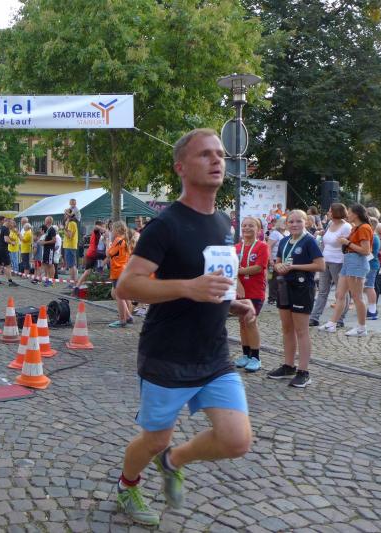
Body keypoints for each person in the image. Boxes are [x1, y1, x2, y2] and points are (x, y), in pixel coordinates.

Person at [112, 129, 255, 526]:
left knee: (236, 439)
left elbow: (209, 282)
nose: (217, 160)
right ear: (180, 167)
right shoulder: (165, 225)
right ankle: (127, 486)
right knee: (154, 438)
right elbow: (127, 286)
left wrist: (231, 303)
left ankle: (174, 460)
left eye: (220, 154)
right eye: (205, 154)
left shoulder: (224, 222)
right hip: (167, 354)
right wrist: (188, 288)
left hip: (213, 354)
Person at [266, 210, 325, 387]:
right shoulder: (284, 241)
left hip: (302, 288)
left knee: (301, 330)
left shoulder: (309, 241)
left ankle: (303, 371)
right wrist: (278, 266)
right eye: (291, 222)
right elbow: (277, 262)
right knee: (286, 328)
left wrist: (293, 267)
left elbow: (320, 266)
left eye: (298, 221)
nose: (294, 224)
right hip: (284, 287)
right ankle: (288, 366)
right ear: (286, 224)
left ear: (306, 222)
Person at [318, 204, 372, 336]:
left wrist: (347, 242)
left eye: (350, 212)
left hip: (356, 263)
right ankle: (332, 323)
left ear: (356, 214)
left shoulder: (364, 228)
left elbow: (366, 251)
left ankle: (361, 327)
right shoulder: (355, 227)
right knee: (339, 294)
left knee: (357, 297)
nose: (347, 214)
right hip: (348, 261)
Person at [234, 217, 270, 372]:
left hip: (255, 291)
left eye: (251, 225)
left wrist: (238, 271)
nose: (247, 228)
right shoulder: (236, 247)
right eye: (244, 225)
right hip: (239, 290)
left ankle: (256, 357)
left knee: (250, 321)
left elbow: (259, 267)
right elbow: (231, 269)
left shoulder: (262, 246)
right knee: (242, 322)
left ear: (258, 230)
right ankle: (246, 354)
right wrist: (238, 282)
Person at [309, 203, 351, 327]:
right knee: (322, 290)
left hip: (338, 261)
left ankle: (340, 319)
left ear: (336, 212)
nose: (328, 213)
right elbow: (326, 241)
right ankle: (314, 317)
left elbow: (348, 244)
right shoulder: (330, 223)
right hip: (325, 260)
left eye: (330, 211)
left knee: (341, 291)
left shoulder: (346, 227)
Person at [107, 221, 132, 328]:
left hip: (118, 272)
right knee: (119, 294)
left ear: (117, 230)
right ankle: (128, 316)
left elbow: (108, 254)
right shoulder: (125, 241)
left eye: (112, 229)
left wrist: (107, 242)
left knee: (119, 296)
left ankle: (122, 320)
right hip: (123, 270)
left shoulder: (117, 240)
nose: (112, 231)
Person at [73, 220, 105, 293]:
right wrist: (104, 230)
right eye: (103, 226)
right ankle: (100, 268)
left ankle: (77, 287)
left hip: (90, 253)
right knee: (109, 256)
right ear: (100, 226)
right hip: (93, 252)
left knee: (87, 272)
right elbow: (96, 227)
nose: (103, 228)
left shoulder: (98, 233)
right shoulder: (96, 231)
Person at [364, 217, 381, 320]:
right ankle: (372, 310)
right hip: (372, 264)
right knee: (369, 287)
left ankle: (372, 311)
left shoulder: (372, 237)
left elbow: (369, 253)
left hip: (371, 265)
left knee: (369, 287)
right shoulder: (374, 236)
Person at [0, 215, 16, 287]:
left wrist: (10, 238)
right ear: (8, 222)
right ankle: (10, 282)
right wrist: (12, 242)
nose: (12, 225)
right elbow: (6, 239)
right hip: (3, 249)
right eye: (11, 223)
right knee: (8, 265)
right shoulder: (6, 229)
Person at [39, 216, 57, 286]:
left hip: (50, 249)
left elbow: (54, 240)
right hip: (46, 249)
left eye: (45, 220)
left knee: (50, 264)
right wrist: (43, 242)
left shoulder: (52, 229)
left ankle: (51, 280)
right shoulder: (48, 230)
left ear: (48, 221)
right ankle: (48, 279)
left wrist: (45, 242)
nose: (44, 221)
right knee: (46, 264)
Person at [62, 211, 79, 282]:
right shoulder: (70, 223)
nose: (64, 215)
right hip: (69, 246)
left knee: (71, 265)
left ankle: (73, 282)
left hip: (70, 246)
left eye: (65, 214)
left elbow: (69, 236)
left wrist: (63, 229)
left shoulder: (71, 223)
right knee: (71, 265)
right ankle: (73, 281)